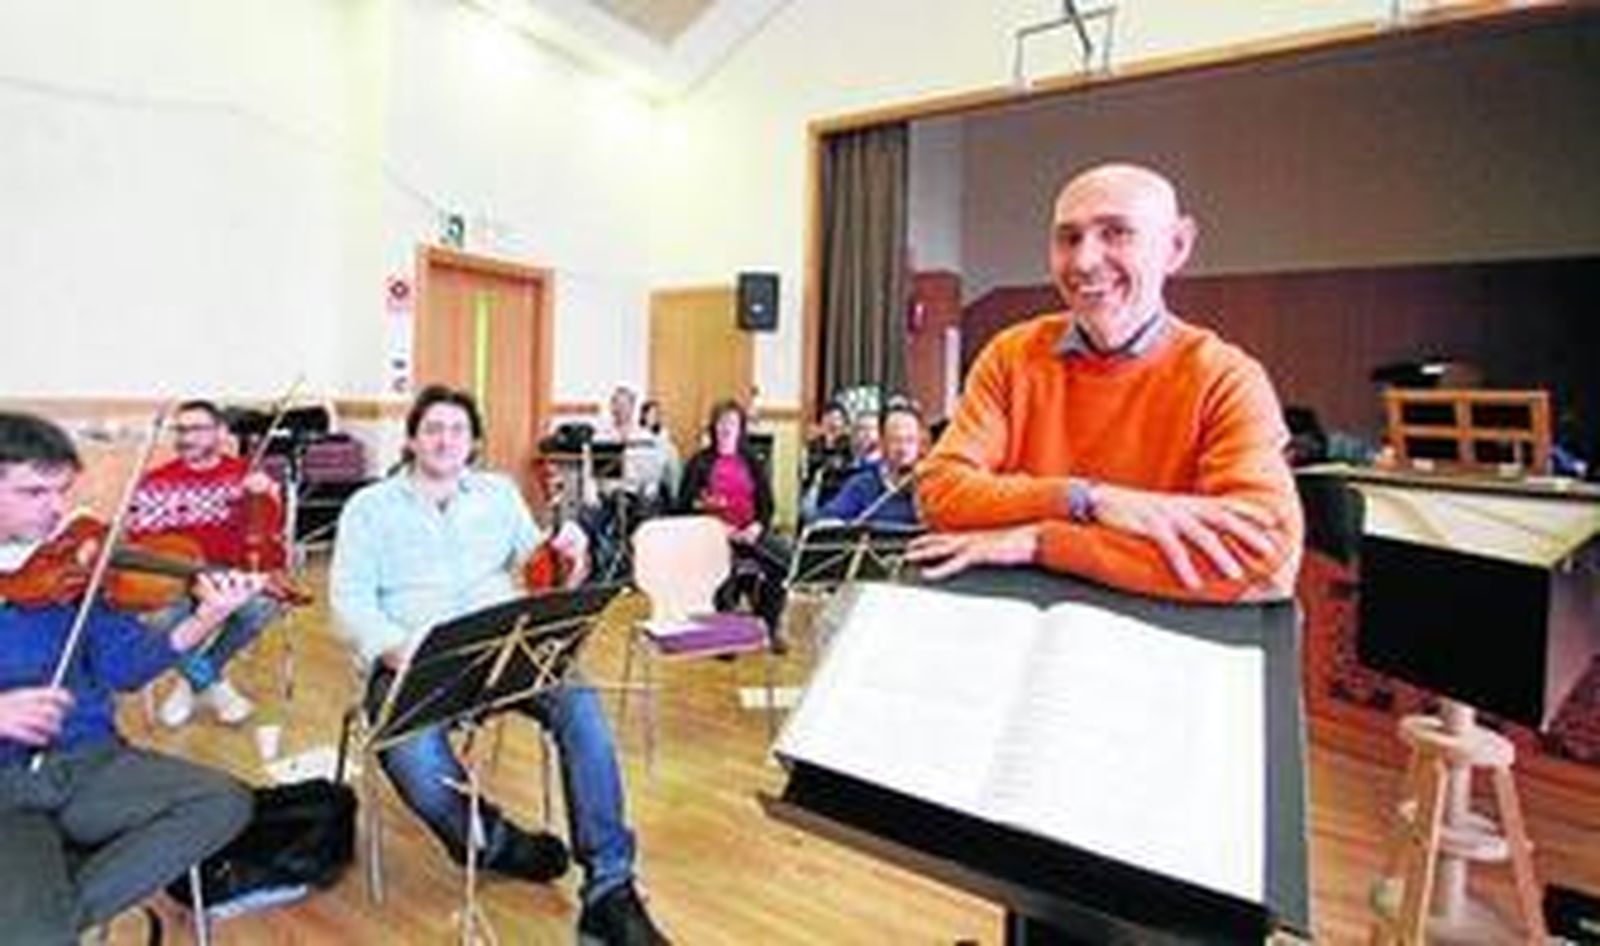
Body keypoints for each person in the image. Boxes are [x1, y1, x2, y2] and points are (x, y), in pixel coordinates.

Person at [330, 385, 668, 945]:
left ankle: (611, 888)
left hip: (504, 648)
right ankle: (497, 842)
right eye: (433, 428)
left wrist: (572, 555)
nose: (445, 439)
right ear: (413, 439)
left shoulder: (497, 494)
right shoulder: (369, 509)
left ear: (474, 443)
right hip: (412, 661)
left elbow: (541, 568)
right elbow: (349, 601)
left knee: (581, 706)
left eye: (458, 430)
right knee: (409, 755)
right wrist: (394, 647)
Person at [909, 163, 1302, 601]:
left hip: (1162, 627)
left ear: (1175, 246)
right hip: (1021, 614)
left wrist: (1041, 542)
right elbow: (940, 495)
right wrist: (1087, 500)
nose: (1084, 261)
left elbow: (1256, 552)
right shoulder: (1010, 355)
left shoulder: (1226, 377)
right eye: (1068, 237)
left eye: (1116, 232)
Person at [0, 411, 255, 942]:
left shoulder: (75, 568)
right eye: (34, 492)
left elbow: (126, 669)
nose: (56, 511)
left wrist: (204, 617)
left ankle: (52, 917)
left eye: (61, 492)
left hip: (89, 761)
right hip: (5, 791)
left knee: (221, 800)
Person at [126, 399, 286, 727]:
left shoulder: (245, 476)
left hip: (229, 574)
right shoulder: (154, 482)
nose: (186, 437)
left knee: (264, 608)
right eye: (180, 429)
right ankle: (212, 683)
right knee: (157, 620)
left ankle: (194, 679)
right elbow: (143, 546)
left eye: (196, 429)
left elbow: (269, 537)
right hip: (175, 579)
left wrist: (267, 500)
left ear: (221, 433)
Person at [677, 400, 791, 650]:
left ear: (741, 428)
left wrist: (757, 527)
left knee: (785, 562)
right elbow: (685, 507)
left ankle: (767, 624)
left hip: (749, 533)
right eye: (721, 422)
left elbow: (767, 505)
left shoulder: (753, 461)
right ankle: (725, 634)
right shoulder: (699, 463)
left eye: (732, 423)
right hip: (713, 536)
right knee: (721, 565)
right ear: (713, 427)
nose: (726, 428)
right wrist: (718, 529)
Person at [814, 398, 924, 527]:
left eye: (910, 440)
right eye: (895, 440)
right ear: (882, 443)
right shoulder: (862, 485)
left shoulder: (933, 486)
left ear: (920, 444)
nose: (903, 449)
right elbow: (826, 521)